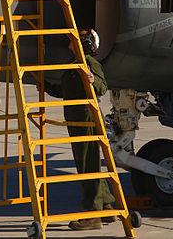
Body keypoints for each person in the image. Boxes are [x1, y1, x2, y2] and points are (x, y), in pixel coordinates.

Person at [62, 29, 117, 231]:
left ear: (84, 44)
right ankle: (106, 206)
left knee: (87, 165)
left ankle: (92, 215)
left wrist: (92, 80)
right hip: (77, 119)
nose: (69, 43)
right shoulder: (73, 64)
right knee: (89, 162)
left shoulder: (89, 63)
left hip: (87, 119)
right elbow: (66, 89)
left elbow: (102, 87)